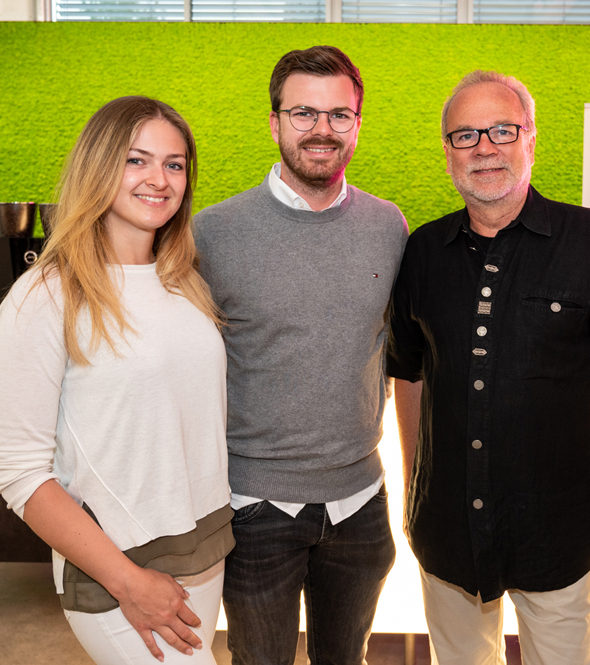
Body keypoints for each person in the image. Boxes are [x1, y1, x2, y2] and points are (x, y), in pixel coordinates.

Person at [387, 70, 590, 665]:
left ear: (530, 138)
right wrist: (416, 487)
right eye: (466, 135)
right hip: (446, 533)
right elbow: (411, 373)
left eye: (502, 130)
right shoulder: (423, 251)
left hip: (560, 536)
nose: (485, 148)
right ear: (448, 150)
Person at [0, 96, 232, 665]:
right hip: (120, 572)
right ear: (97, 166)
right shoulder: (45, 295)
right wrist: (128, 581)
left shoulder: (183, 282)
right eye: (136, 160)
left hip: (204, 551)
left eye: (174, 164)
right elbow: (19, 473)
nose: (159, 179)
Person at [193, 45, 406, 665]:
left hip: (361, 503)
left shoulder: (388, 227)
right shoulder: (213, 233)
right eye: (303, 113)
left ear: (357, 125)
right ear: (275, 123)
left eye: (339, 115)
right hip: (253, 509)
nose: (322, 129)